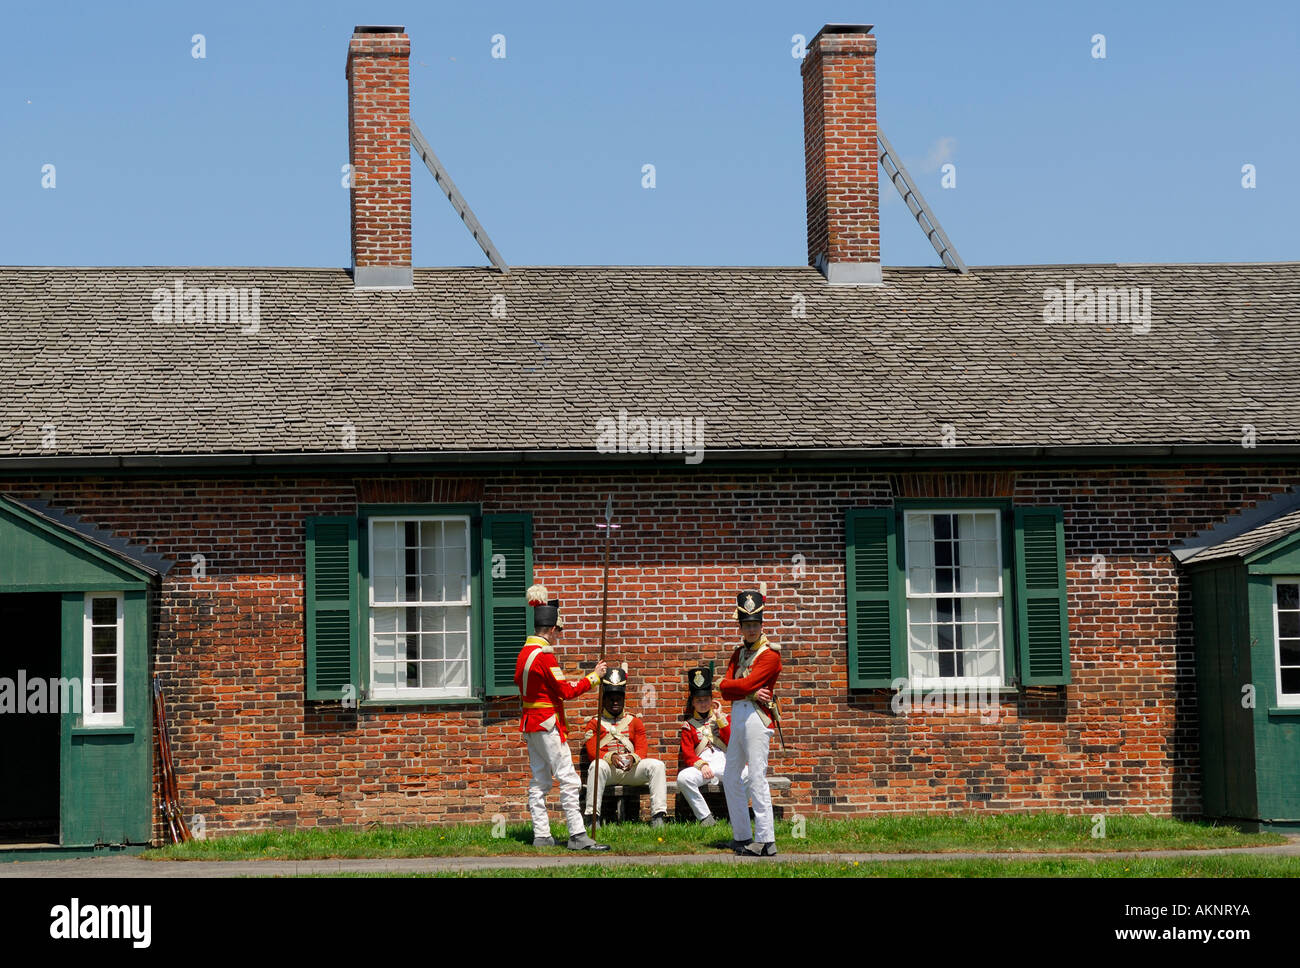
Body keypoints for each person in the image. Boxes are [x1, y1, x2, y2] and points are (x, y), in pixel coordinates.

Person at [516, 584, 610, 851]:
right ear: (552, 629)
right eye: (559, 631)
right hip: (547, 724)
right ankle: (577, 834)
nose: (559, 637)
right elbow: (566, 691)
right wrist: (594, 677)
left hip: (530, 724)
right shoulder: (544, 655)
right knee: (569, 779)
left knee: (540, 782)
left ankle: (542, 835)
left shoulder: (524, 652)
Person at [719, 587, 782, 857]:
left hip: (757, 717)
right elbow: (723, 688)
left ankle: (766, 840)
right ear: (741, 627)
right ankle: (742, 835)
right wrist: (745, 690)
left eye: (755, 624)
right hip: (739, 713)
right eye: (747, 625)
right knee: (731, 776)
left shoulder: (770, 656)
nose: (752, 630)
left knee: (757, 777)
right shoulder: (737, 654)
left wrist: (742, 688)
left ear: (761, 624)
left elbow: (741, 683)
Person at [583, 666, 669, 827]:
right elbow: (591, 751)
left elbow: (642, 748)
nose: (615, 701)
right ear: (604, 699)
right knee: (596, 766)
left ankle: (658, 816)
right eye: (611, 698)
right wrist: (610, 757)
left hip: (631, 769)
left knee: (657, 766)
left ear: (624, 699)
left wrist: (632, 758)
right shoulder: (594, 723)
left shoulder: (634, 721)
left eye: (619, 698)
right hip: (608, 771)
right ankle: (592, 818)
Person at [676, 666, 746, 827]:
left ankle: (737, 815)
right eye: (699, 700)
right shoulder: (688, 725)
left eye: (706, 699)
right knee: (683, 778)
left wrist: (721, 718)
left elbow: (733, 741)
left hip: (725, 763)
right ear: (692, 702)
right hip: (703, 766)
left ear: (712, 700)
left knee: (748, 774)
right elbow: (688, 754)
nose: (703, 703)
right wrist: (702, 765)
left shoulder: (722, 718)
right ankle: (706, 817)